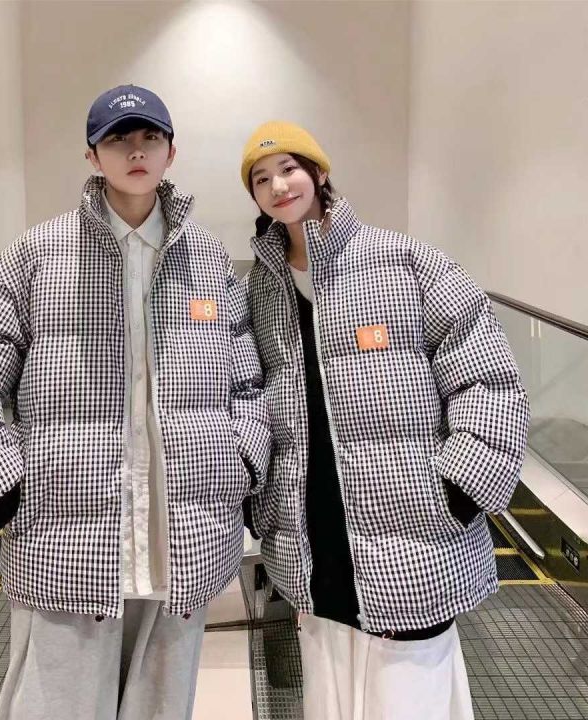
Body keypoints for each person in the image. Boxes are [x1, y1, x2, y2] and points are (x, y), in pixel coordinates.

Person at [0, 84, 270, 720]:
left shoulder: (208, 261)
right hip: (64, 527)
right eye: (118, 139)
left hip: (185, 527)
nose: (135, 151)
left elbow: (247, 382)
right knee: (53, 703)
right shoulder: (39, 253)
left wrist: (241, 466)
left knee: (162, 703)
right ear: (92, 156)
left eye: (150, 137)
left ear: (171, 153)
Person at [239, 121, 529, 720]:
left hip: (412, 518)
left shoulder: (404, 261)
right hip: (309, 520)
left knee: (408, 687)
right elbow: (250, 392)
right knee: (329, 679)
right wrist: (256, 492)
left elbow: (487, 377)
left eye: (289, 169)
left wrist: (459, 487)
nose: (278, 186)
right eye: (261, 179)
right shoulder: (262, 288)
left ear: (319, 172)